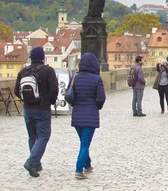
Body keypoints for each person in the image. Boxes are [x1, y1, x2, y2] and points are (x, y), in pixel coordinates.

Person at [14, 47, 59, 177]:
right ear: (42, 57)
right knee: (43, 136)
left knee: (32, 136)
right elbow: (54, 89)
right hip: (42, 108)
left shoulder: (23, 71)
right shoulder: (48, 71)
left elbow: (17, 91)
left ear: (31, 57)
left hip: (28, 108)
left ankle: (36, 164)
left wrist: (26, 100)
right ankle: (31, 161)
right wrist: (50, 101)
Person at [70, 53, 106, 179]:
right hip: (90, 115)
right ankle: (79, 170)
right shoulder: (96, 79)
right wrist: (96, 106)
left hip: (77, 114)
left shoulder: (75, 77)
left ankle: (88, 165)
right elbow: (101, 98)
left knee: (83, 142)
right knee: (85, 144)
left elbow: (71, 95)